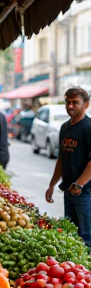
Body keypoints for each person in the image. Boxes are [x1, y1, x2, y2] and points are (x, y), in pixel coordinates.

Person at [45, 87, 91, 248]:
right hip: (68, 190)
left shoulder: (89, 127)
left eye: (75, 103)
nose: (70, 106)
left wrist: (79, 184)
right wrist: (52, 185)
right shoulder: (65, 128)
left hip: (85, 192)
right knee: (70, 235)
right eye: (67, 102)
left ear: (86, 104)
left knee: (86, 237)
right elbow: (61, 160)